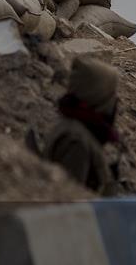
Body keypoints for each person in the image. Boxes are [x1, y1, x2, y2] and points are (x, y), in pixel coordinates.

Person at [43, 56, 121, 193]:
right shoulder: (77, 141)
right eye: (112, 94)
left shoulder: (75, 127)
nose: (116, 100)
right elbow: (69, 196)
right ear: (96, 96)